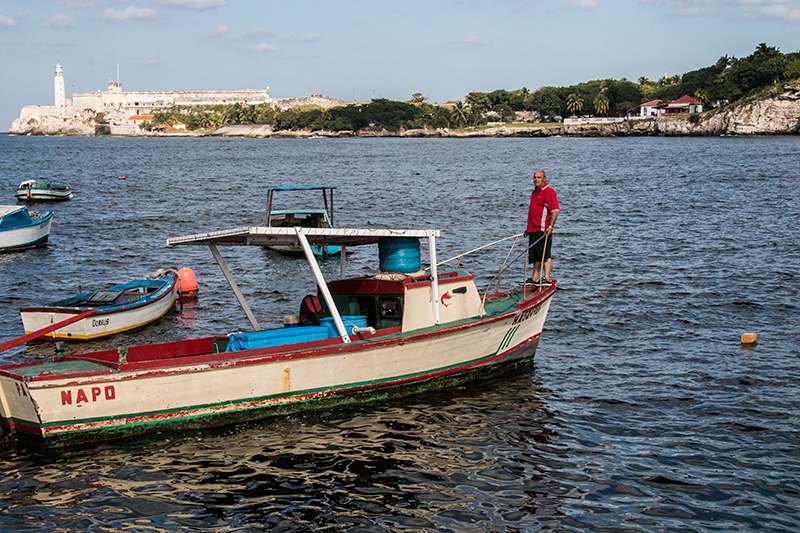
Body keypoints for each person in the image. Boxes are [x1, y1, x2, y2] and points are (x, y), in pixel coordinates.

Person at [526, 170, 559, 285]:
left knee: (545, 254)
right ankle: (534, 278)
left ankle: (546, 277)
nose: (536, 179)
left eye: (539, 177)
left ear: (544, 179)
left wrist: (550, 226)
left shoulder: (549, 192)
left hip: (543, 229)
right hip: (533, 229)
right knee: (535, 255)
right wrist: (528, 229)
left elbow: (555, 210)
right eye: (535, 177)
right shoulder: (534, 192)